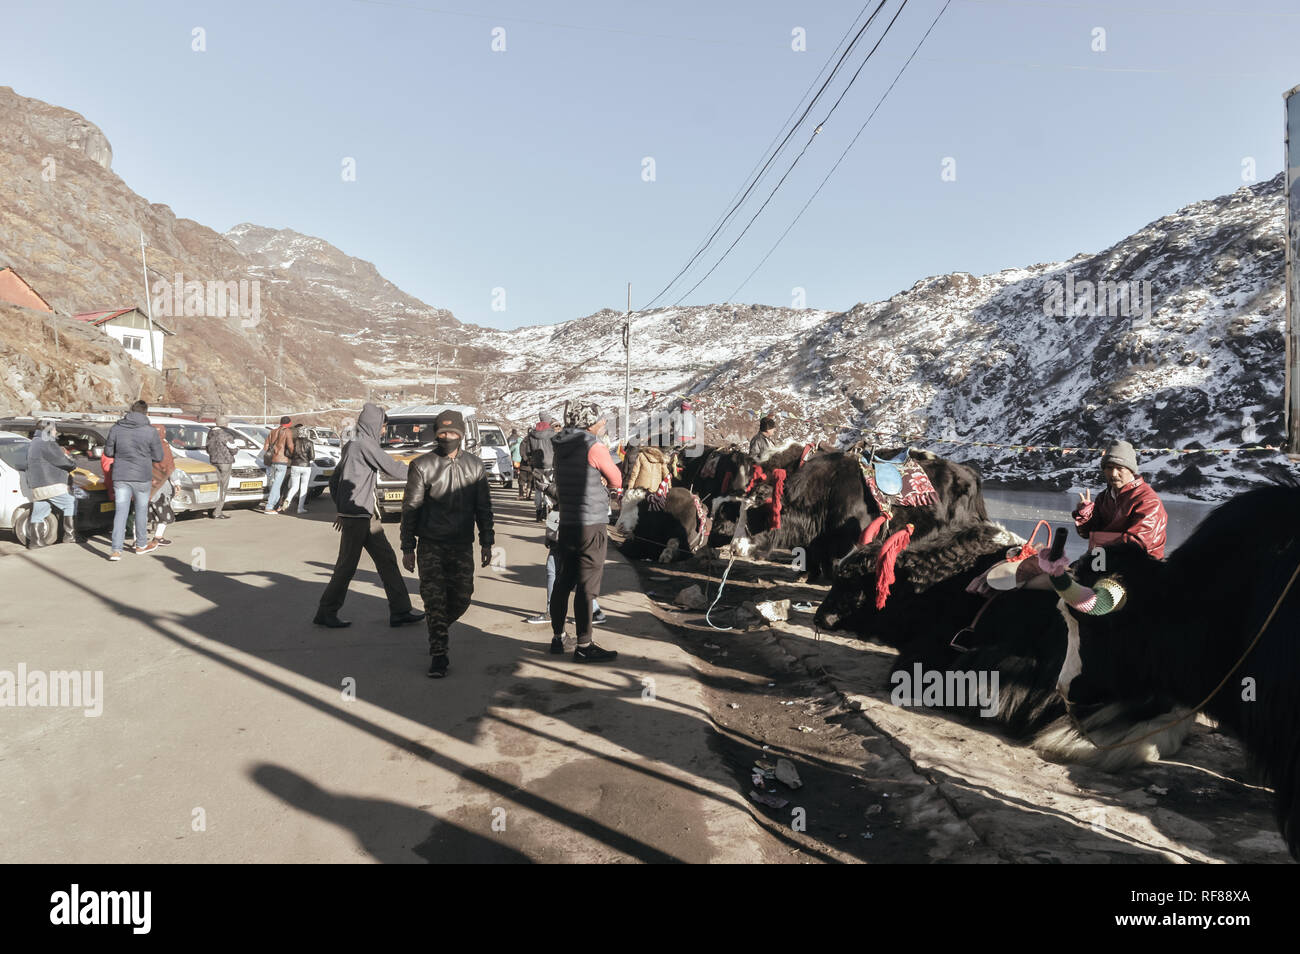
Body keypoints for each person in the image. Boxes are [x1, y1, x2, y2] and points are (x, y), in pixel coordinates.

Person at [399, 409, 495, 679]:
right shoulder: (422, 465)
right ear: (436, 433)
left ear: (462, 435)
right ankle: (438, 653)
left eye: (453, 433)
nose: (448, 437)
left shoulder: (475, 466)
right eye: (442, 432)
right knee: (434, 599)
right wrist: (408, 546)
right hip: (431, 544)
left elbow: (484, 507)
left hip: (462, 544)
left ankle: (437, 627)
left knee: (462, 597)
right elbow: (411, 508)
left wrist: (487, 540)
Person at [315, 403, 424, 629]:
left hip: (363, 515)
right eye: (383, 426)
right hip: (358, 516)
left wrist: (341, 508)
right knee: (346, 566)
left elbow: (335, 481)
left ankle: (400, 610)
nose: (383, 431)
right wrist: (426, 471)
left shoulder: (353, 443)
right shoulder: (365, 444)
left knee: (386, 560)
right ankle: (326, 611)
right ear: (374, 424)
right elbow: (393, 468)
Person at [549, 400, 621, 662]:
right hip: (591, 524)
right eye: (600, 421)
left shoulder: (561, 445)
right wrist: (603, 477)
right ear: (590, 423)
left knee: (564, 579)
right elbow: (616, 479)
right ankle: (584, 645)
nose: (603, 424)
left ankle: (558, 637)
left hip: (567, 521)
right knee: (586, 585)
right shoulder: (594, 446)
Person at [525, 480, 606, 627]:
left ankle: (593, 611)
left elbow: (570, 494)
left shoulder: (577, 465)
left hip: (572, 527)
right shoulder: (574, 464)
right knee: (559, 570)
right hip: (568, 525)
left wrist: (548, 488)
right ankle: (592, 611)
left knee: (568, 572)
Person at [1072, 439, 1168, 559]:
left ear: (1131, 470)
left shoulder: (1148, 501)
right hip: (1105, 561)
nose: (1113, 473)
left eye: (1119, 468)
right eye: (1109, 467)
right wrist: (1085, 515)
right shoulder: (1104, 497)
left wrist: (1097, 552)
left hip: (1141, 566)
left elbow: (1137, 544)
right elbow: (1088, 534)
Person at [104, 400, 164, 561]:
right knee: (141, 510)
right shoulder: (150, 431)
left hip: (121, 475)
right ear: (146, 412)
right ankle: (141, 545)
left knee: (121, 511)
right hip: (142, 475)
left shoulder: (116, 428)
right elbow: (159, 456)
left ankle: (116, 550)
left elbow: (108, 452)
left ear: (130, 411)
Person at [24, 420, 77, 549]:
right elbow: (61, 460)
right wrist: (72, 463)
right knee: (71, 502)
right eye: (54, 429)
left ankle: (35, 542)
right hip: (51, 482)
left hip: (37, 483)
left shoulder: (34, 442)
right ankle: (70, 535)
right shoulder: (47, 442)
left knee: (40, 511)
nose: (55, 432)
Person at [519, 411, 557, 519]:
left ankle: (538, 510)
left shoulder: (532, 434)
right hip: (551, 465)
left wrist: (531, 460)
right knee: (549, 487)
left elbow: (528, 450)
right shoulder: (553, 434)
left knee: (539, 488)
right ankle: (547, 507)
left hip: (537, 465)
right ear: (548, 421)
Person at [148, 423, 178, 547]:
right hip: (161, 485)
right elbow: (170, 466)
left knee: (142, 513)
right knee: (164, 511)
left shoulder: (142, 444)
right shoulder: (164, 446)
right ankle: (158, 537)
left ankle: (138, 540)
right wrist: (176, 482)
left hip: (144, 484)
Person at [205, 415, 240, 519]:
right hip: (225, 462)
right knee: (223, 487)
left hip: (213, 461)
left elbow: (207, 448)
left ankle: (211, 509)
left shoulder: (210, 433)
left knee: (215, 487)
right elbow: (233, 449)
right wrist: (237, 449)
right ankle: (217, 512)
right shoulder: (226, 434)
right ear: (225, 423)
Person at [277, 423, 315, 514]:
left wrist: (294, 458)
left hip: (295, 465)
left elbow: (287, 453)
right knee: (304, 487)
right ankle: (300, 508)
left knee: (294, 486)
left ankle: (288, 500)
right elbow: (312, 456)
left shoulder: (294, 441)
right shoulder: (310, 442)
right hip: (306, 466)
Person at [262, 416, 295, 513]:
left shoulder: (272, 431)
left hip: (272, 460)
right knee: (277, 484)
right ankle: (269, 506)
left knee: (274, 483)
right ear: (289, 423)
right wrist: (293, 455)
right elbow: (290, 446)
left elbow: (266, 446)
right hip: (282, 460)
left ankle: (275, 506)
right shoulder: (287, 431)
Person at [508, 429, 523, 494]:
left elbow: (510, 450)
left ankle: (516, 473)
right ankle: (518, 473)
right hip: (521, 459)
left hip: (515, 459)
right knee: (519, 468)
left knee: (515, 467)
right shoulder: (522, 443)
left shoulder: (510, 439)